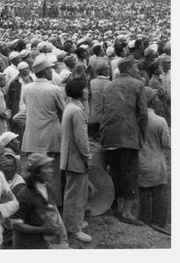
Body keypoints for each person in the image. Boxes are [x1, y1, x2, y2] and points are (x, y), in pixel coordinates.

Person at [100, 56, 148, 226]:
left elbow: (104, 109)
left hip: (109, 134)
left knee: (115, 170)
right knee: (129, 173)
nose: (138, 70)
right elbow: (142, 113)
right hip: (127, 134)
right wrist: (141, 135)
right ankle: (127, 213)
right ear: (128, 69)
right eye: (136, 67)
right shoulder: (138, 85)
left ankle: (118, 208)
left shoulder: (109, 86)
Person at [21, 54, 66, 207]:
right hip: (50, 138)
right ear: (46, 71)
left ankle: (35, 206)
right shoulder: (55, 89)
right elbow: (63, 112)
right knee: (51, 175)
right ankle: (52, 207)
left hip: (32, 138)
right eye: (50, 69)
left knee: (34, 174)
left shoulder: (26, 89)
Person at [10, 153, 67, 249]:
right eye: (46, 168)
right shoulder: (25, 195)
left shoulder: (47, 189)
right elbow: (17, 225)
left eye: (51, 167)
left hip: (41, 243)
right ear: (36, 172)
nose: (51, 171)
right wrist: (43, 229)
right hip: (26, 246)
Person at [60, 79, 92, 243]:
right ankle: (73, 229)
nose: (87, 91)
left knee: (75, 193)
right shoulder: (76, 111)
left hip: (71, 157)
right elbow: (81, 138)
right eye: (85, 89)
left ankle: (75, 223)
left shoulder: (71, 107)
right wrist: (88, 156)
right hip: (76, 158)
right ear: (79, 91)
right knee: (76, 194)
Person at [137, 87, 170, 229]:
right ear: (151, 102)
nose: (158, 101)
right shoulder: (160, 121)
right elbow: (166, 144)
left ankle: (144, 221)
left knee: (143, 193)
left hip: (141, 161)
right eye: (155, 99)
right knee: (159, 193)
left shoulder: (136, 119)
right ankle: (160, 222)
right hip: (156, 160)